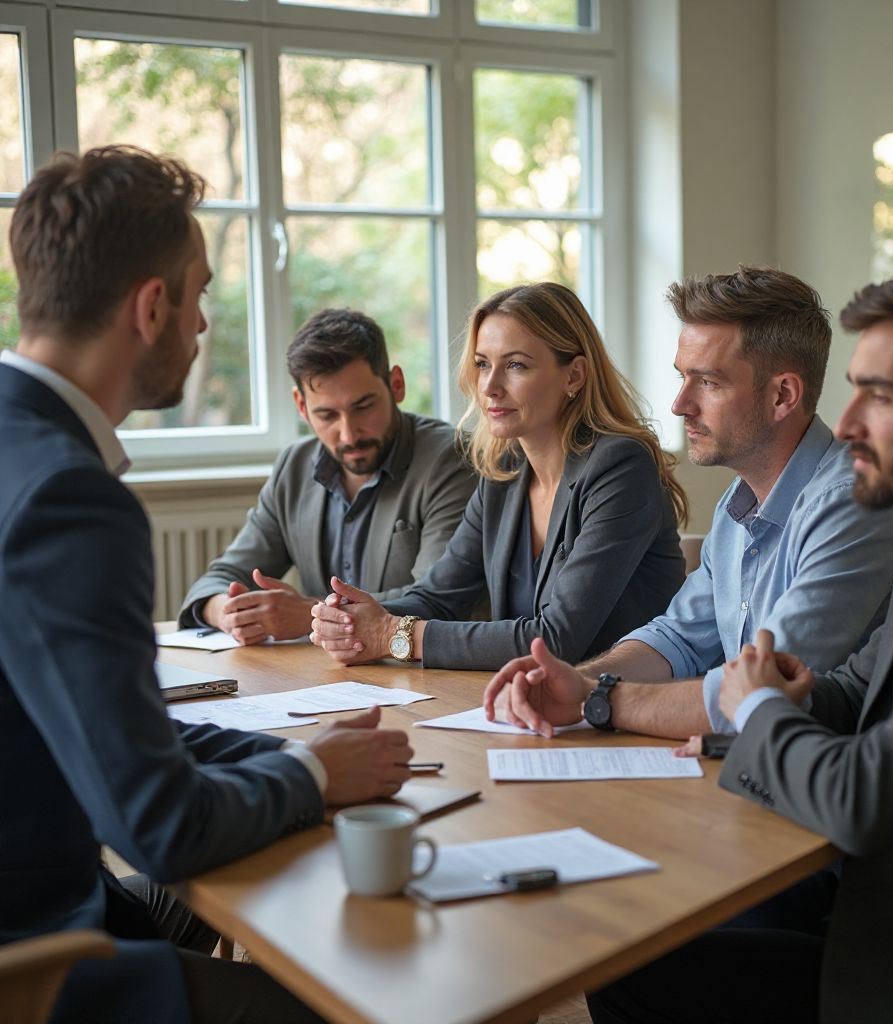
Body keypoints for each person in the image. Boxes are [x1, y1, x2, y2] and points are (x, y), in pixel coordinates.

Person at [0, 145, 414, 1024]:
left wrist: (302, 757)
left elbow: (105, 732)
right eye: (200, 295)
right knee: (379, 996)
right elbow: (161, 828)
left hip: (53, 903)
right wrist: (308, 772)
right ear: (152, 307)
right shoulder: (68, 498)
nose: (201, 326)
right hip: (38, 959)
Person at [587, 258, 893, 1024]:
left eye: (879, 397)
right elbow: (859, 688)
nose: (847, 426)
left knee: (634, 960)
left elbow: (865, 803)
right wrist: (752, 712)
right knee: (634, 949)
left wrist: (753, 711)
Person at [483, 266, 893, 740]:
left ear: (782, 394)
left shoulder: (853, 501)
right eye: (682, 377)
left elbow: (760, 695)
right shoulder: (737, 504)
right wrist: (579, 681)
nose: (680, 404)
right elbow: (677, 637)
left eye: (707, 382)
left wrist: (598, 699)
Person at [310, 281, 688, 671]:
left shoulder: (621, 467)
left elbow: (556, 639)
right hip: (535, 706)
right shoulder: (504, 471)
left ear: (574, 376)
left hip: (624, 708)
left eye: (516, 365)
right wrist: (349, 617)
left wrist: (390, 634)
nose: (489, 387)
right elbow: (439, 596)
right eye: (482, 364)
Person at [178, 307, 476, 645]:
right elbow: (221, 577)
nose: (349, 434)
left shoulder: (450, 459)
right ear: (302, 408)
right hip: (327, 681)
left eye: (364, 407)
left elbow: (439, 599)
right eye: (327, 415)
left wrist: (309, 615)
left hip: (425, 676)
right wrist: (229, 612)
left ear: (396, 385)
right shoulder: (294, 467)